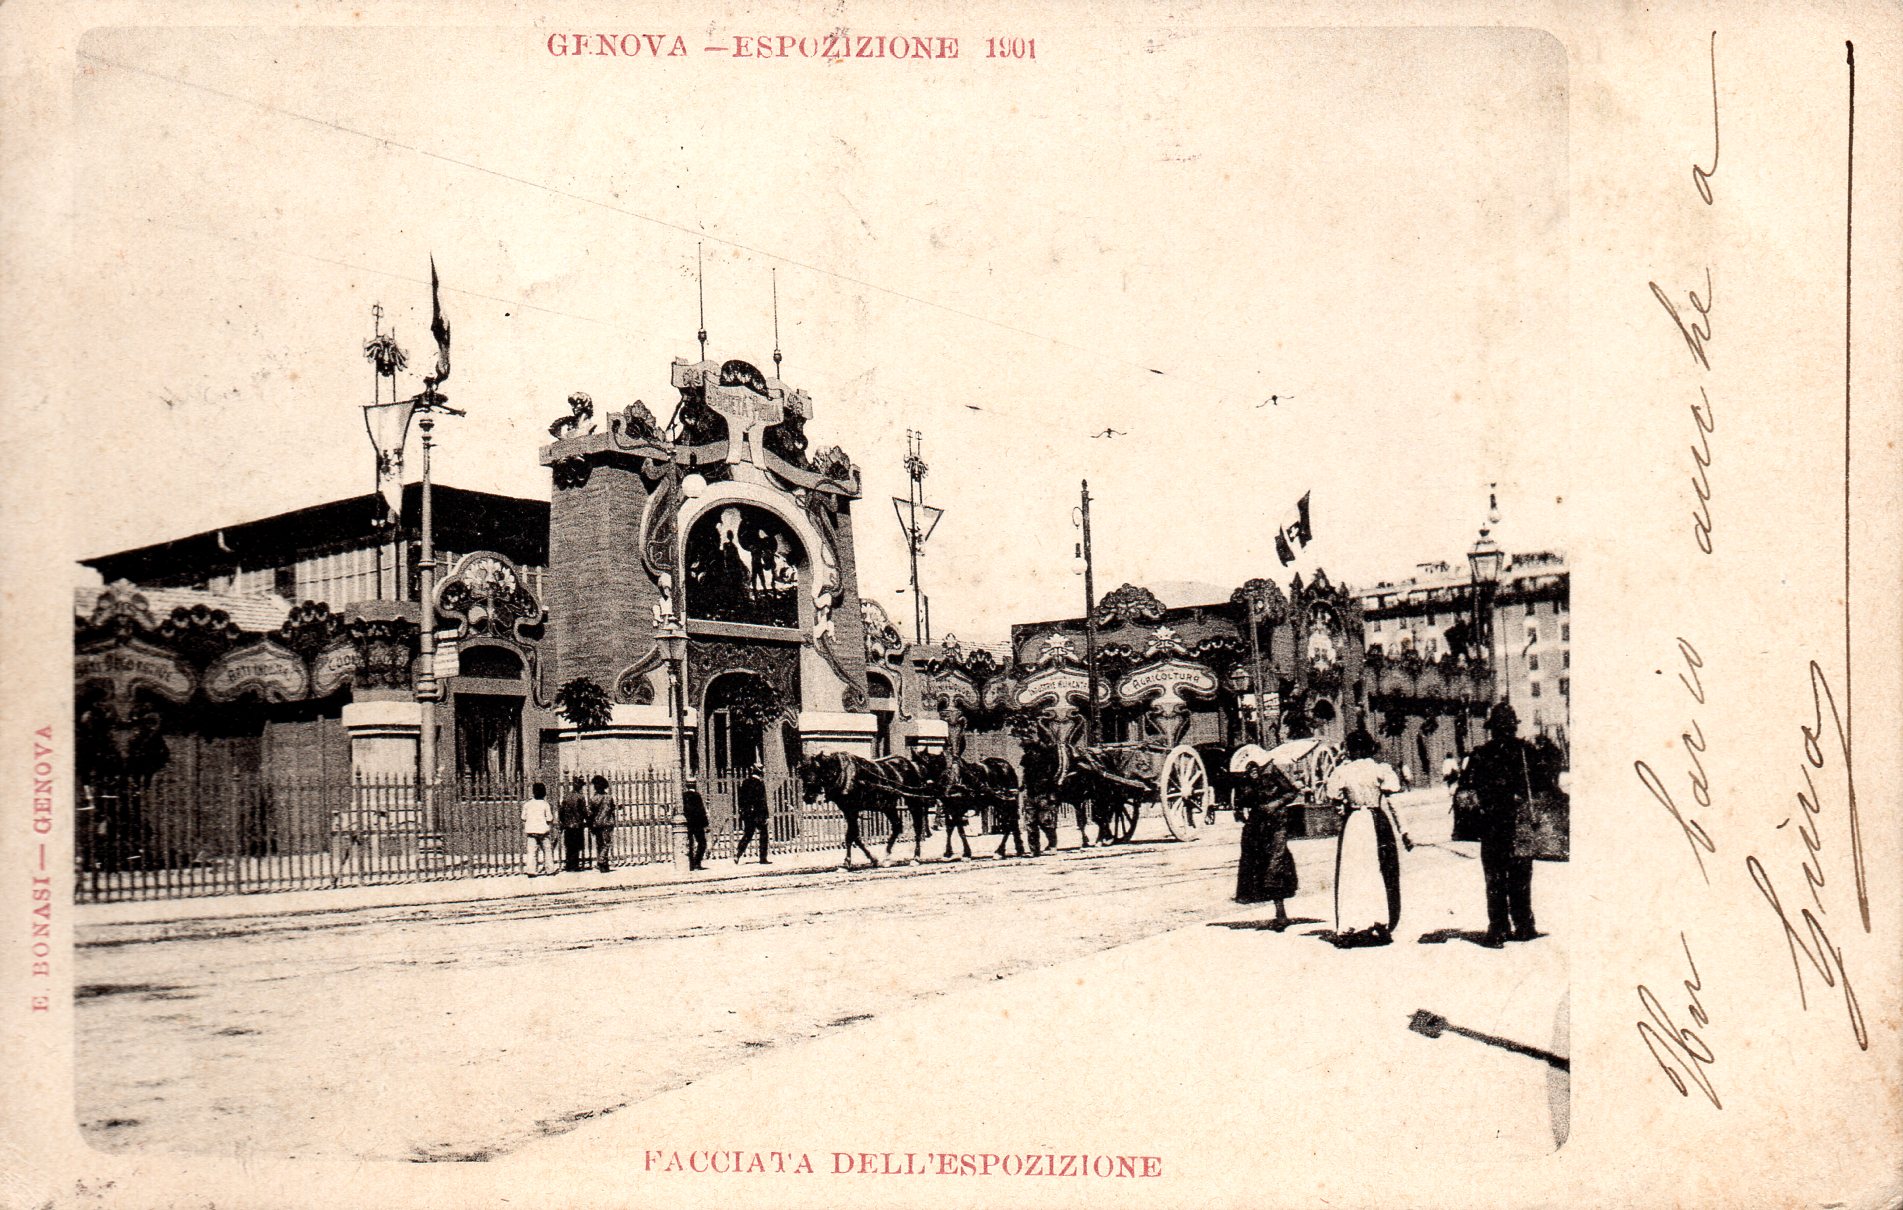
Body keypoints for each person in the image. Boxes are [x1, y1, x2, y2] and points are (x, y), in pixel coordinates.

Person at [1459, 702, 1539, 946]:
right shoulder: (1526, 751)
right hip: (1520, 822)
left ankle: (1498, 929)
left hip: (1492, 823)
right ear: (1514, 727)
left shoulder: (1480, 754)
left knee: (1494, 877)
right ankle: (1524, 925)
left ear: (1492, 728)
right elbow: (1543, 782)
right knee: (1521, 875)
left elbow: (1465, 788)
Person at [1323, 728, 1412, 947]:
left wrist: (1344, 808)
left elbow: (1336, 802)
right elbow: (1393, 803)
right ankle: (1380, 923)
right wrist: (1404, 831)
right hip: (1376, 821)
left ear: (1350, 749)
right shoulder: (1380, 770)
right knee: (1380, 870)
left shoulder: (1342, 772)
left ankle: (1349, 926)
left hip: (1353, 824)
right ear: (1371, 748)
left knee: (1352, 872)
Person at [1231, 750, 1301, 929]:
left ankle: (1281, 913)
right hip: (1256, 825)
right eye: (1249, 769)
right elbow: (1241, 799)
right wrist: (1239, 807)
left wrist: (1275, 804)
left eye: (1255, 768)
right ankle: (1277, 912)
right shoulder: (1244, 778)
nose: (1252, 771)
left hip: (1277, 823)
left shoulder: (1273, 771)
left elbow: (1291, 792)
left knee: (1275, 865)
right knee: (1256, 865)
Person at [734, 769, 770, 864]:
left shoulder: (745, 782)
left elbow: (740, 798)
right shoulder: (760, 784)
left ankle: (738, 853)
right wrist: (766, 815)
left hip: (748, 813)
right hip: (758, 813)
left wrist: (743, 810)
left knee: (748, 834)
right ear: (760, 774)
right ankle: (763, 858)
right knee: (764, 834)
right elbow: (763, 801)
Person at [520, 782, 555, 876]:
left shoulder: (527, 804)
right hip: (543, 832)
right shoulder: (545, 804)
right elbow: (549, 818)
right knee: (547, 851)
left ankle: (531, 871)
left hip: (531, 831)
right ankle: (550, 870)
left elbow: (523, 817)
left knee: (532, 852)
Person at [558, 776, 589, 872]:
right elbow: (583, 811)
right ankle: (574, 865)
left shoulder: (566, 796)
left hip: (567, 825)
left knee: (569, 846)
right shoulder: (580, 797)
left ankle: (568, 865)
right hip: (577, 824)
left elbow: (561, 811)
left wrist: (563, 821)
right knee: (576, 846)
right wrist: (587, 819)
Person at [586, 775, 617, 872]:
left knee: (600, 844)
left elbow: (589, 813)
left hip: (597, 824)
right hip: (607, 823)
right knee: (606, 844)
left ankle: (603, 865)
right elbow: (612, 809)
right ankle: (601, 861)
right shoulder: (609, 797)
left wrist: (591, 824)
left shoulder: (593, 799)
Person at [682, 783, 709, 870]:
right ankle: (697, 862)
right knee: (702, 843)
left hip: (687, 823)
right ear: (695, 786)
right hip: (698, 823)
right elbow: (701, 810)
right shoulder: (697, 795)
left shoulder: (683, 796)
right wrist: (706, 824)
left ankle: (690, 863)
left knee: (689, 843)